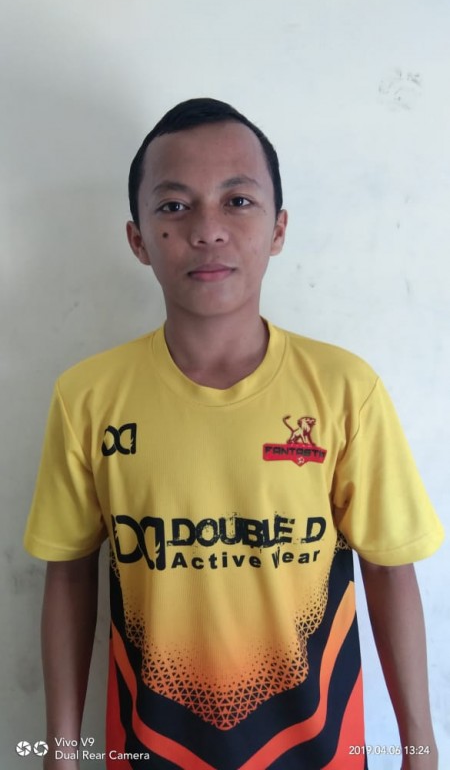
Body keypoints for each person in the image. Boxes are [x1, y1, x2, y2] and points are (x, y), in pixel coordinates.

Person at [24, 98, 444, 770]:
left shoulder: (344, 390)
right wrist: (61, 751)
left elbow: (389, 569)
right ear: (138, 239)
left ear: (278, 229)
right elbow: (69, 575)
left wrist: (421, 750)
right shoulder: (88, 398)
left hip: (321, 754)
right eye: (174, 206)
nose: (208, 230)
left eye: (238, 201)